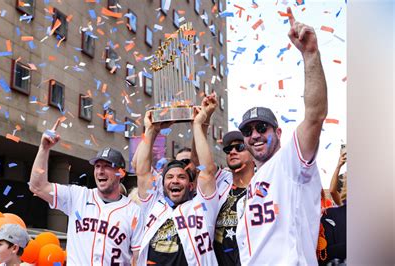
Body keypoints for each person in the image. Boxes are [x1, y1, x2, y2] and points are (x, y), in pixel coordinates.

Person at [235, 7, 328, 265]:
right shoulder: (255, 182)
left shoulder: (290, 163)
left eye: (262, 128)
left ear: (277, 132)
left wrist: (310, 55)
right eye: (247, 131)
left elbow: (315, 116)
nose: (254, 135)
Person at [29, 119, 144, 265]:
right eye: (97, 166)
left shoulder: (134, 212)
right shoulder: (78, 196)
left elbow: (138, 257)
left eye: (107, 166)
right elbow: (37, 186)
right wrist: (44, 149)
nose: (100, 171)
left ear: (120, 173)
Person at [135, 95, 219, 265]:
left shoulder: (202, 206)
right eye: (169, 177)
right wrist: (151, 130)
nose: (175, 181)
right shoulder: (153, 204)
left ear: (191, 184)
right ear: (162, 184)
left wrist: (198, 124)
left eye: (181, 177)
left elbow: (208, 171)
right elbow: (142, 172)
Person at [213, 131, 255, 265]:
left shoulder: (265, 190)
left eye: (240, 147)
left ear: (254, 156)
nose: (232, 152)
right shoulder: (219, 186)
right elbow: (200, 165)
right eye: (228, 149)